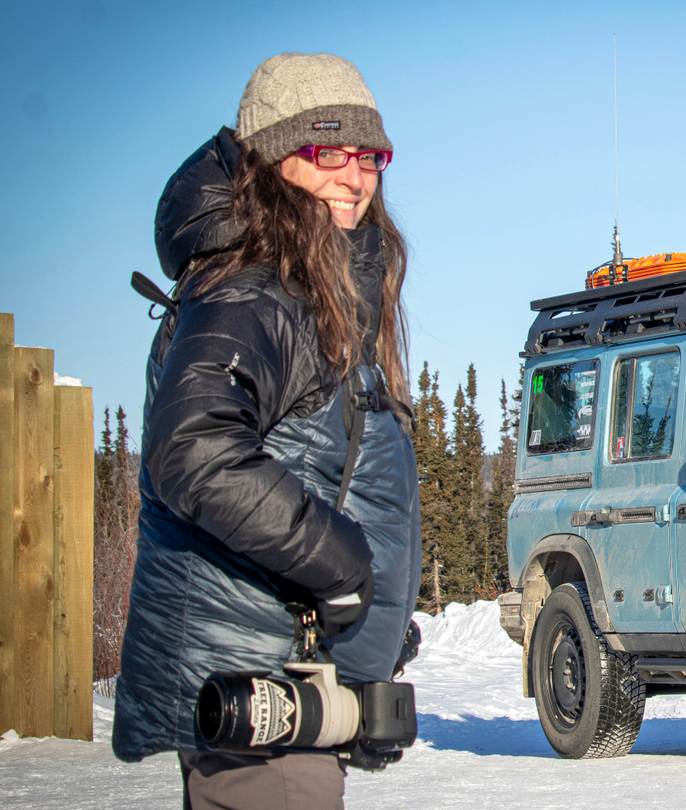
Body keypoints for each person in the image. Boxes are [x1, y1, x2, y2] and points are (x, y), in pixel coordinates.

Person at [112, 53, 422, 810]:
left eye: (369, 156)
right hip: (258, 685)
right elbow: (194, 447)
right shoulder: (255, 286)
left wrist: (376, 620)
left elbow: (319, 465)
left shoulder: (308, 286)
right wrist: (342, 564)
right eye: (327, 154)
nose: (355, 179)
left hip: (288, 680)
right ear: (271, 162)